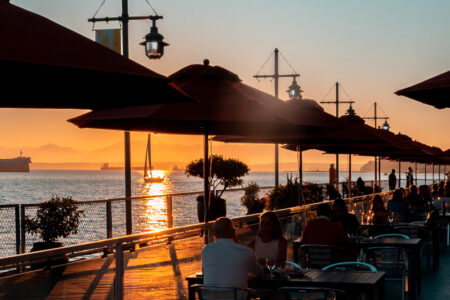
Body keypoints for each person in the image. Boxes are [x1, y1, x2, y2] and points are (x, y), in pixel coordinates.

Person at [202, 217, 263, 293]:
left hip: (209, 297)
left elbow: (204, 273)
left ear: (214, 233)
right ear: (234, 232)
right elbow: (259, 273)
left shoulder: (206, 250)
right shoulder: (246, 252)